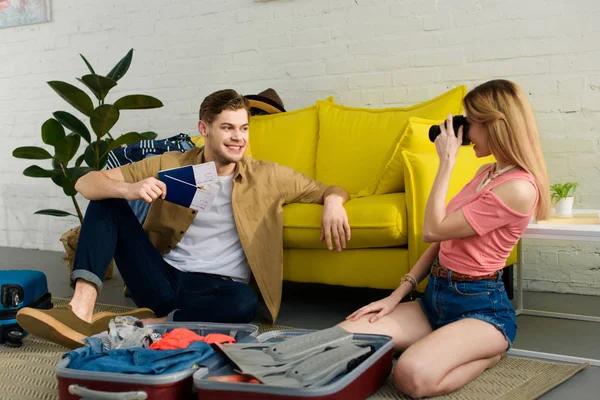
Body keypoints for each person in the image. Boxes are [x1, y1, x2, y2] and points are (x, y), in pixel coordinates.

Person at [18, 89, 351, 349]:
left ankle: (151, 324)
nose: (238, 138)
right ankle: (82, 308)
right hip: (164, 278)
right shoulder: (173, 163)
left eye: (244, 128)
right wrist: (131, 189)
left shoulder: (268, 176)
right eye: (228, 128)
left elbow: (328, 189)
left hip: (219, 289)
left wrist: (334, 202)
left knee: (244, 303)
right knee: (107, 202)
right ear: (204, 129)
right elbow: (85, 182)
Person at [339, 79, 550, 398]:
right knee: (342, 337)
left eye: (471, 122)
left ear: (494, 124)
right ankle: (440, 344)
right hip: (435, 298)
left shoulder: (519, 188)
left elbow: (432, 229)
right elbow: (441, 243)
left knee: (410, 375)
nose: (465, 132)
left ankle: (490, 353)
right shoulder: (487, 173)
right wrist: (394, 297)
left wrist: (446, 162)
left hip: (481, 308)